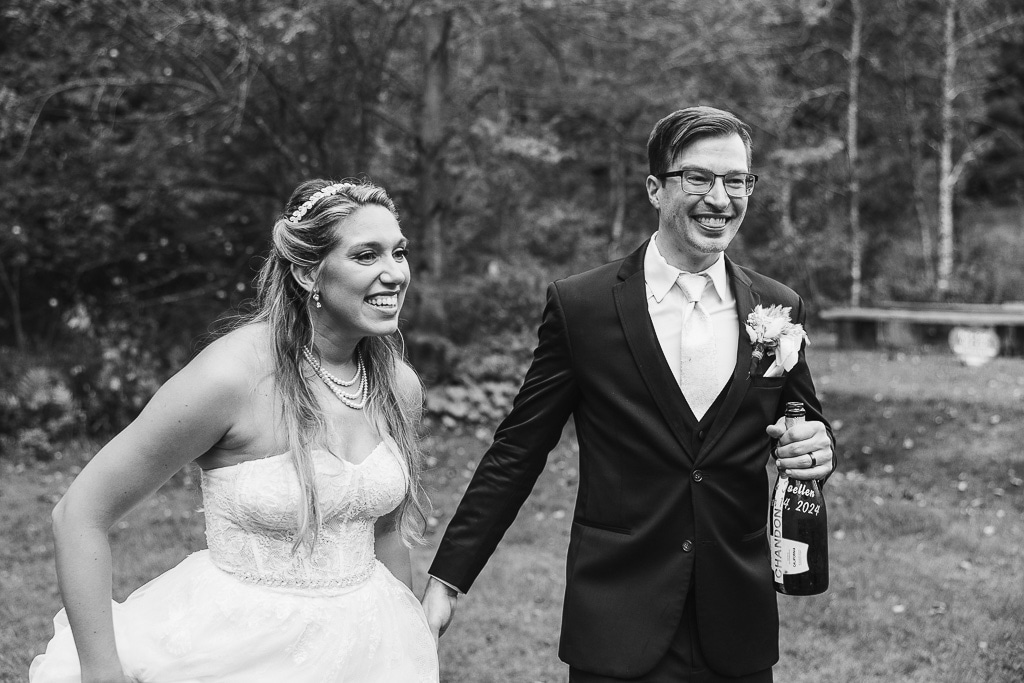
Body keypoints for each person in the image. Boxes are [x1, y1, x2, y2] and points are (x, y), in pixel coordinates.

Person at [422, 106, 836, 682]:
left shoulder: (778, 306)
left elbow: (804, 420)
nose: (721, 198)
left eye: (737, 181)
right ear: (654, 188)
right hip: (618, 616)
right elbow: (517, 451)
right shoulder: (582, 306)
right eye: (698, 178)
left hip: (736, 620)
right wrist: (447, 580)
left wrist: (820, 449)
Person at [30, 179, 439, 682]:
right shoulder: (230, 378)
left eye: (399, 253)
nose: (394, 273)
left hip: (369, 647)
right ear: (308, 271)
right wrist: (101, 672)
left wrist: (409, 648)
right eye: (366, 255)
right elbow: (79, 514)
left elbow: (386, 533)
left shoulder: (398, 386)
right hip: (238, 652)